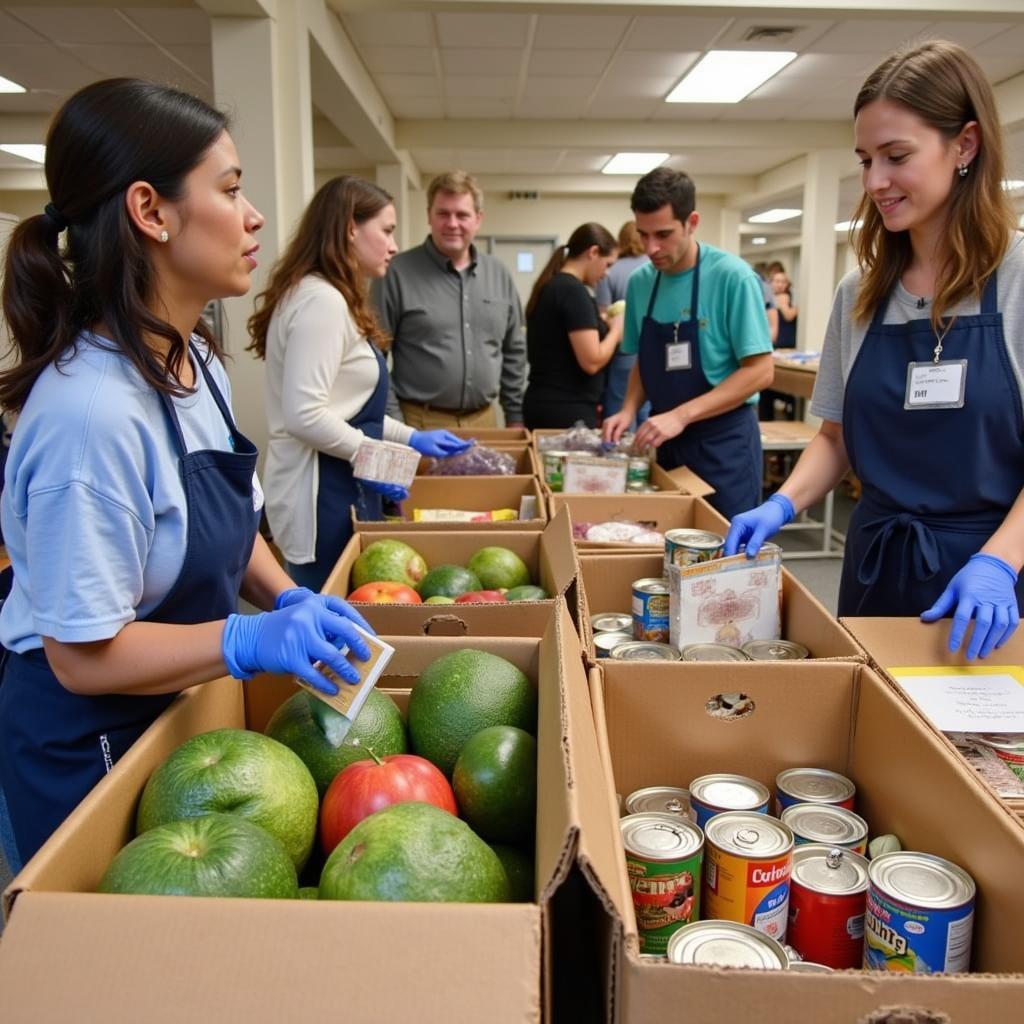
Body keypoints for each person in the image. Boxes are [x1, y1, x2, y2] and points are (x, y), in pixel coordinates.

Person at [0, 79, 375, 870]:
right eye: (231, 189)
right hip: (89, 742)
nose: (255, 217)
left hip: (177, 718)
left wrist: (286, 596)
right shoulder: (91, 416)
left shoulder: (194, 360)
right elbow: (81, 652)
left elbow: (227, 521)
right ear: (151, 210)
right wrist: (245, 637)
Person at [725, 40, 1024, 660]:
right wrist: (782, 503)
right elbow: (835, 438)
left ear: (964, 145)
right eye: (865, 160)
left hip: (991, 592)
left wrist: (998, 562)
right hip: (875, 571)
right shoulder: (860, 290)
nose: (875, 182)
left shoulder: (1020, 279)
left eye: (896, 156)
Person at [247, 177, 469, 592]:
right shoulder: (321, 301)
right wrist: (380, 457)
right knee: (329, 618)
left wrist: (412, 437)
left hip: (338, 481)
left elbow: (345, 412)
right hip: (319, 495)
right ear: (351, 227)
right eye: (386, 230)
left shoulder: (330, 295)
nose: (394, 244)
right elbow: (305, 416)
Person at [602, 168, 775, 519]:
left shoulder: (732, 277)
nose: (651, 248)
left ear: (691, 222)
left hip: (723, 445)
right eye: (643, 234)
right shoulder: (640, 284)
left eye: (663, 234)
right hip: (666, 441)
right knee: (671, 542)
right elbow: (644, 363)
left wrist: (681, 415)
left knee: (726, 551)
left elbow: (760, 373)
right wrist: (628, 408)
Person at [372, 171, 526, 429]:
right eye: (443, 213)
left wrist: (515, 416)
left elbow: (514, 352)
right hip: (418, 423)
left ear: (478, 219)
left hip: (485, 422)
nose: (452, 223)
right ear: (429, 216)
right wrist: (395, 423)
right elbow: (374, 357)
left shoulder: (499, 274)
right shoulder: (395, 273)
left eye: (462, 215)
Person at [522, 222, 622, 429]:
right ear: (593, 252)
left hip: (545, 405)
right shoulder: (573, 292)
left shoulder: (551, 286)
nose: (607, 274)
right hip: (566, 411)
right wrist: (616, 331)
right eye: (608, 264)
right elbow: (592, 361)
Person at [595, 221, 650, 426]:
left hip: (623, 351)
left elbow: (603, 315)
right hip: (654, 350)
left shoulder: (610, 270)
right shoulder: (656, 268)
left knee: (619, 408)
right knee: (646, 410)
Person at [759, 268, 799, 421]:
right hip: (772, 347)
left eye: (783, 281)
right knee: (767, 388)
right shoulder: (768, 298)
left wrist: (781, 305)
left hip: (786, 345)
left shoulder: (785, 298)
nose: (780, 285)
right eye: (777, 281)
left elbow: (789, 316)